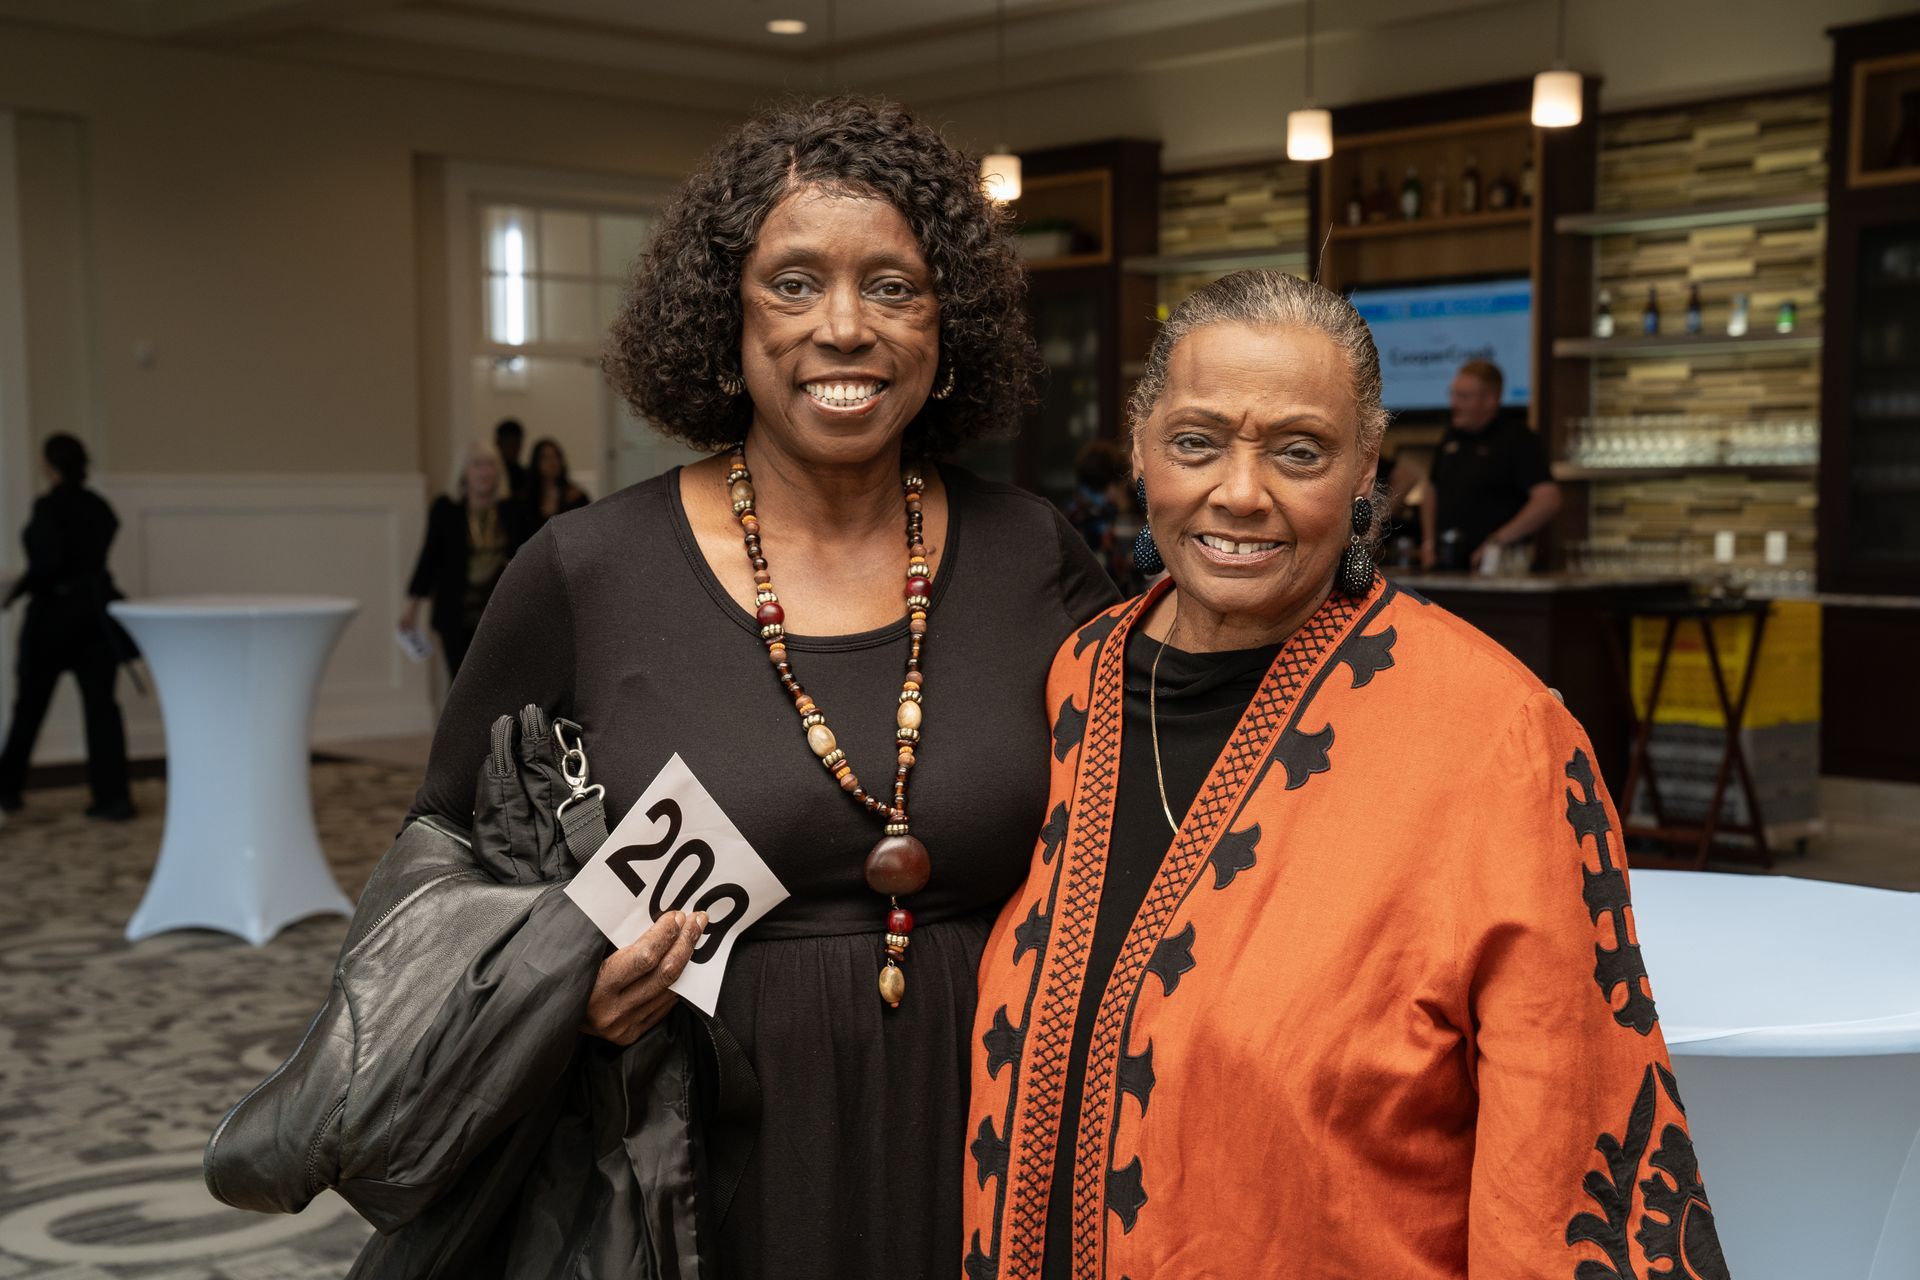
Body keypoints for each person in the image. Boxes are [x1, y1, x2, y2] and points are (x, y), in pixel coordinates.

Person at [393, 97, 1117, 1278]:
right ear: (721, 316)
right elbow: (446, 846)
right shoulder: (586, 571)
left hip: (987, 1115)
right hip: (690, 1142)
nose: (845, 326)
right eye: (793, 282)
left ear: (951, 325)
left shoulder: (1031, 550)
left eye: (895, 285)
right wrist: (559, 984)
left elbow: (1135, 819)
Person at [963, 271, 1724, 1279]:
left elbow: (1562, 1150)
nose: (1240, 491)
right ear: (1143, 447)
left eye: (1298, 451)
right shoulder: (1074, 680)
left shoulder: (1499, 736)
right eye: (1197, 442)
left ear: (1367, 471)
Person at [0, 434, 136, 819]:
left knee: (29, 707)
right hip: (95, 616)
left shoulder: (48, 509)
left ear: (49, 465)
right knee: (102, 708)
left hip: (53, 621)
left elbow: (47, 565)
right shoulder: (99, 508)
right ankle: (114, 797)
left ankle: (7, 788)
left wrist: (15, 590)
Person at [402, 440, 528, 680]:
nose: (484, 472)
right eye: (477, 465)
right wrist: (412, 610)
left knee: (497, 682)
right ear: (464, 471)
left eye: (490, 465)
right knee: (461, 682)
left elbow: (527, 557)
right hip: (455, 614)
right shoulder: (446, 509)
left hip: (499, 615)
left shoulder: (513, 511)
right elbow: (429, 559)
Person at [1420, 358, 1561, 570]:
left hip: (1497, 568)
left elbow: (1548, 499)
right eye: (1453, 394)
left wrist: (1497, 541)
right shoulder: (1451, 436)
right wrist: (1428, 542)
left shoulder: (1517, 439)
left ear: (1490, 400)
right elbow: (1431, 489)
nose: (1454, 404)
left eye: (1464, 397)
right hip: (1447, 563)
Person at [525, 436, 592, 531]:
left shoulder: (575, 497)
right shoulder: (527, 499)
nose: (552, 462)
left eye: (555, 457)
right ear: (536, 463)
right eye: (546, 458)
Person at [494, 417, 531, 509]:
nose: (511, 450)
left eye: (515, 445)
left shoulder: (527, 476)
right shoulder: (491, 475)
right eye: (507, 445)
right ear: (498, 443)